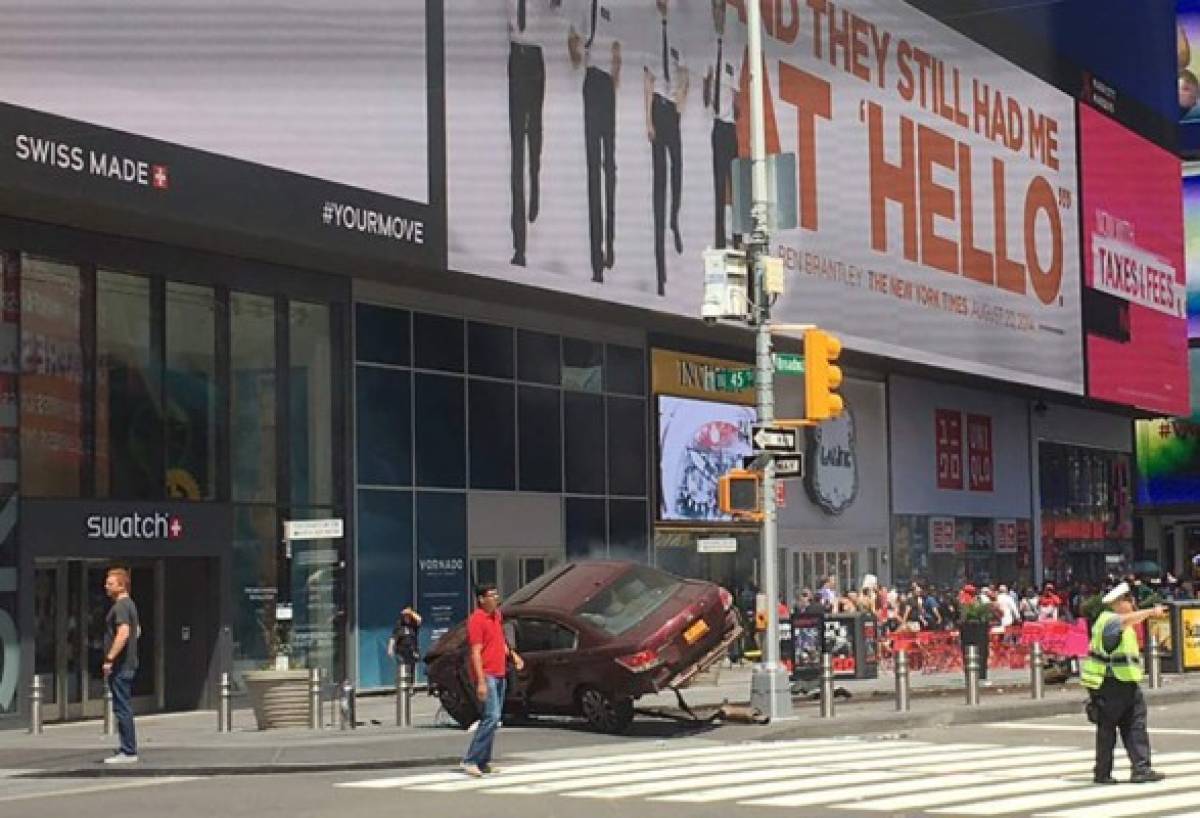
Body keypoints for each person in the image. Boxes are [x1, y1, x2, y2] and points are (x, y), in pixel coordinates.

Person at [1081, 581, 1167, 785]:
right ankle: (1103, 772)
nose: (1133, 604)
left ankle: (1141, 769)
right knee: (1108, 729)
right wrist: (1150, 611)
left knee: (1135, 725)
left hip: (1126, 683)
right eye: (1129, 600)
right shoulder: (1110, 621)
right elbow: (1126, 621)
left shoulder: (1118, 622)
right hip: (1110, 684)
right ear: (1119, 603)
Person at [568, 0, 620, 283]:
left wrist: (615, 77)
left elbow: (617, 53)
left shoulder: (613, 8)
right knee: (593, 171)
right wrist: (577, 54)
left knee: (609, 168)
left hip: (606, 87)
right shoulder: (581, 7)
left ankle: (610, 245)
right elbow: (573, 40)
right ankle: (595, 261)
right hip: (591, 81)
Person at [506, 0, 560, 266]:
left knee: (534, 135)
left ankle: (536, 182)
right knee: (516, 148)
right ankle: (519, 246)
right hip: (516, 56)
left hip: (536, 60)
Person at [643, 0, 688, 297]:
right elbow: (648, 81)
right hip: (658, 107)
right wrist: (648, 119)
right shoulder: (649, 30)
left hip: (672, 110)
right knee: (660, 181)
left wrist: (681, 103)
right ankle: (660, 274)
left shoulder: (679, 32)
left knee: (678, 170)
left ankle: (674, 218)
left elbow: (684, 75)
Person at [461, 583, 524, 777]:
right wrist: (480, 681)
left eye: (496, 594)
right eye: (491, 595)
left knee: (494, 719)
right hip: (487, 674)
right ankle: (471, 759)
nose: (496, 598)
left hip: (499, 673)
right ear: (481, 599)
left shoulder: (496, 616)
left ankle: (483, 761)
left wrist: (513, 655)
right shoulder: (476, 620)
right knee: (492, 716)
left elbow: (499, 641)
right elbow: (475, 653)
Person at [702, 0, 739, 250]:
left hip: (729, 126)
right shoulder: (707, 48)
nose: (719, 15)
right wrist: (708, 91)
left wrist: (733, 109)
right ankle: (718, 238)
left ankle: (736, 236)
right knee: (717, 184)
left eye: (722, 10)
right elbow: (706, 87)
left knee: (733, 184)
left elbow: (737, 98)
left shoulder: (732, 51)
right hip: (715, 125)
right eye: (715, 9)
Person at [102, 567, 140, 764]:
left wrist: (110, 658)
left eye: (110, 583)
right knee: (122, 705)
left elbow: (123, 633)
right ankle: (127, 747)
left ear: (121, 585)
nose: (106, 586)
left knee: (122, 707)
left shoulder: (121, 607)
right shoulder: (130, 605)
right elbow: (137, 631)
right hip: (128, 664)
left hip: (122, 666)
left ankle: (128, 750)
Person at [387, 606, 423, 672]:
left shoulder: (414, 625)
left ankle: (411, 681)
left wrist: (411, 612)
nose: (406, 617)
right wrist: (390, 648)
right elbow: (393, 638)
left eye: (408, 616)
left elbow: (419, 619)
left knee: (412, 672)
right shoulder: (399, 625)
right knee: (402, 671)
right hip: (401, 653)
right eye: (405, 616)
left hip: (412, 652)